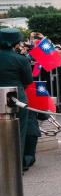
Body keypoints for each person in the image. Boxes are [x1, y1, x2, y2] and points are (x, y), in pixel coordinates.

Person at [0, 28, 31, 160]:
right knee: (18, 132)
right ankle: (16, 165)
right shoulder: (21, 59)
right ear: (16, 43)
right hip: (16, 97)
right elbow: (28, 80)